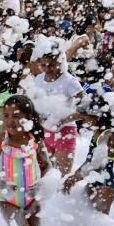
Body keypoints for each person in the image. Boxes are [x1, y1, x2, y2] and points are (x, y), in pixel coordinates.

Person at [0, 95, 49, 226]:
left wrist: (42, 185)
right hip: (8, 200)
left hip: (32, 199)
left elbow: (47, 166)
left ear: (28, 117)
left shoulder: (35, 140)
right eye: (6, 116)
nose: (10, 121)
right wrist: (2, 184)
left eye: (16, 116)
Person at [63, 90, 114, 215]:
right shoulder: (98, 133)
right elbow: (89, 162)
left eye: (86, 117)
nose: (83, 121)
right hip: (98, 183)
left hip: (106, 186)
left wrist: (74, 178)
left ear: (98, 116)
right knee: (93, 222)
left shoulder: (107, 135)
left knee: (100, 223)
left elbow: (95, 165)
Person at [32, 47, 84, 175]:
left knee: (61, 178)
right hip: (43, 132)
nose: (47, 69)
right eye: (43, 65)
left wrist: (63, 120)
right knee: (43, 176)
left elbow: (86, 108)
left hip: (65, 132)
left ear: (61, 62)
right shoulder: (38, 79)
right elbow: (34, 104)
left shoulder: (69, 81)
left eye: (52, 65)